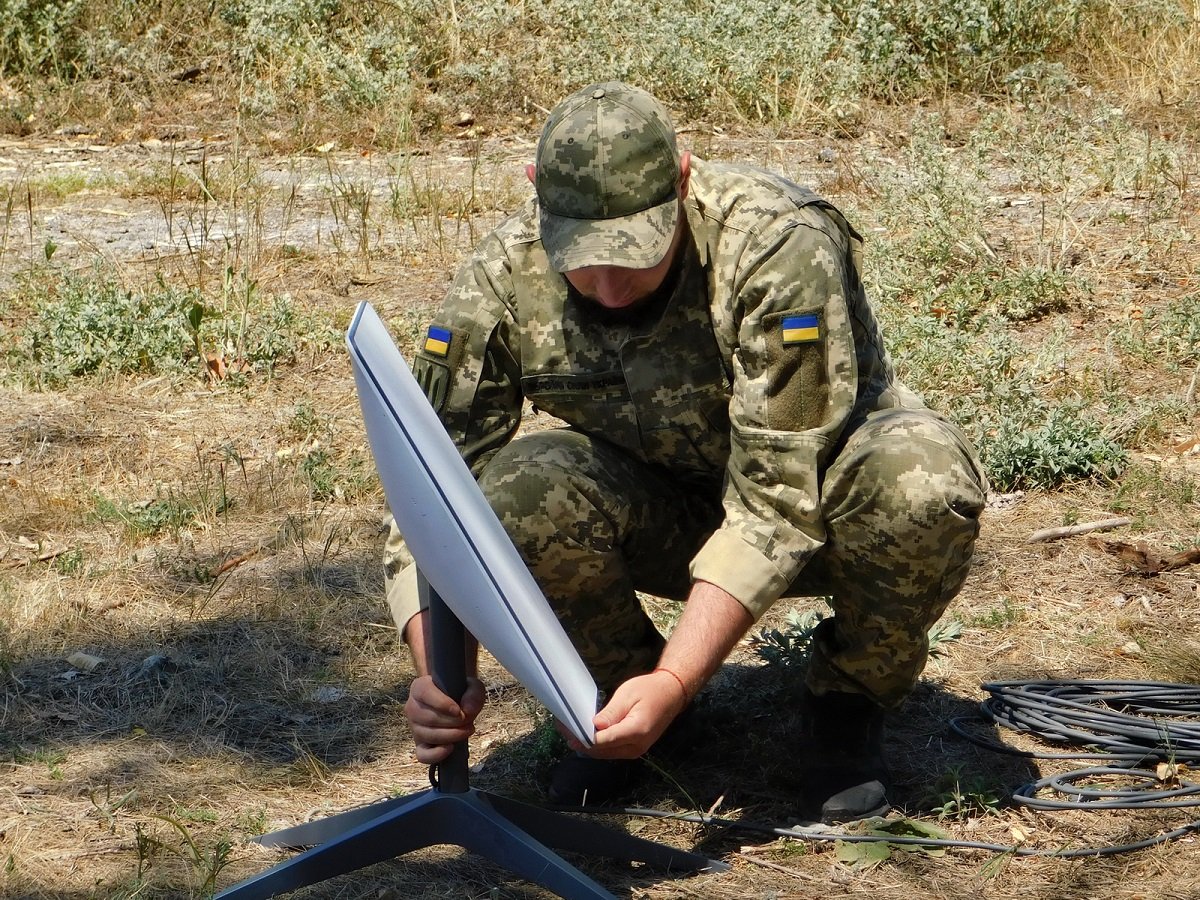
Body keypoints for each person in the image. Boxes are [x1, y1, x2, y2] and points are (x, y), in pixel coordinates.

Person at [383, 81, 987, 823]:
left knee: (919, 482)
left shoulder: (774, 244)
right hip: (663, 513)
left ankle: (846, 703)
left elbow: (775, 498)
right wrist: (440, 668)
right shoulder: (501, 275)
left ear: (683, 177)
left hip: (824, 508)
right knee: (516, 493)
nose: (606, 287)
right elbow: (432, 489)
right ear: (536, 193)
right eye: (581, 256)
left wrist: (680, 678)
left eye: (632, 253)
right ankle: (616, 699)